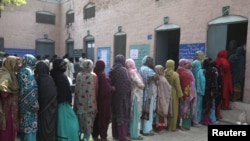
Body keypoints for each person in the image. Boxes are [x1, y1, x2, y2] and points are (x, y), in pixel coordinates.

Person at [50, 58, 80, 141]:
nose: (64, 67)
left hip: (56, 104)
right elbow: (66, 92)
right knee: (69, 124)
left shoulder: (52, 74)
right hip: (63, 104)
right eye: (62, 65)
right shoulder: (61, 77)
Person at [74, 59, 98, 141]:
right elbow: (96, 90)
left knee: (79, 124)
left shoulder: (78, 75)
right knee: (88, 126)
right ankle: (86, 139)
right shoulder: (94, 76)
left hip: (79, 105)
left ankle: (78, 138)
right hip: (90, 106)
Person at [17, 54, 39, 141]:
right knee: (29, 127)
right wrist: (34, 104)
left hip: (21, 103)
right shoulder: (28, 71)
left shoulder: (21, 70)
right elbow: (30, 89)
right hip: (29, 105)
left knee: (24, 126)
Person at [109, 54, 131, 141]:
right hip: (122, 97)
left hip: (114, 96)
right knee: (122, 115)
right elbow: (127, 83)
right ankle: (122, 136)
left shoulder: (112, 69)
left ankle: (115, 135)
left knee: (115, 115)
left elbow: (110, 82)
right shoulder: (123, 70)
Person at [35, 61, 57, 141]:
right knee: (50, 126)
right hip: (52, 108)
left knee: (43, 127)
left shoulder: (38, 79)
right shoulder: (50, 78)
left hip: (42, 109)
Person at [92, 59, 113, 141]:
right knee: (103, 118)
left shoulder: (94, 74)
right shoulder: (102, 75)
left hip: (95, 100)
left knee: (96, 119)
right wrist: (112, 88)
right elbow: (106, 90)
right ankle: (103, 136)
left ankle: (95, 135)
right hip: (103, 102)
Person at [0, 56, 21, 141]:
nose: (18, 66)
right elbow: (4, 93)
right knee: (7, 130)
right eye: (16, 64)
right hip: (7, 109)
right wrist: (11, 91)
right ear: (11, 64)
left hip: (12, 108)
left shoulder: (12, 74)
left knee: (12, 131)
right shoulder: (6, 75)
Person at [125, 58, 145, 140]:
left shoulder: (127, 71)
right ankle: (134, 135)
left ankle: (130, 132)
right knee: (135, 115)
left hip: (132, 94)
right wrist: (143, 84)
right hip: (136, 95)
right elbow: (140, 84)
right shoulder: (132, 72)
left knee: (132, 114)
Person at [139, 56, 158, 136]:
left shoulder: (141, 68)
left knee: (144, 111)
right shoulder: (149, 70)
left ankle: (142, 128)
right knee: (148, 111)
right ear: (147, 62)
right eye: (151, 61)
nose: (153, 63)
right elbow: (157, 78)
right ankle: (147, 130)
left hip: (143, 92)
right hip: (149, 93)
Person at [164, 59, 183, 132]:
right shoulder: (175, 74)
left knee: (167, 109)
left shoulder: (163, 72)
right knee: (174, 110)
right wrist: (180, 95)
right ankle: (172, 127)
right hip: (173, 93)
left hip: (165, 92)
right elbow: (178, 86)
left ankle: (165, 125)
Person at [176, 59, 194, 130]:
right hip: (186, 94)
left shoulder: (177, 71)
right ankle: (185, 125)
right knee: (185, 110)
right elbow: (189, 85)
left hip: (178, 94)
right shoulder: (186, 73)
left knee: (178, 109)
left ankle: (178, 124)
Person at [153, 65, 172, 132]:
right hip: (162, 97)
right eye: (161, 70)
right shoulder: (160, 78)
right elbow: (168, 88)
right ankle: (159, 127)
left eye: (162, 69)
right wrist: (170, 87)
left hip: (161, 97)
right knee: (161, 113)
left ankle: (157, 127)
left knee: (159, 113)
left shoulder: (158, 77)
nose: (162, 71)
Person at [202, 58, 218, 125]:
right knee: (209, 105)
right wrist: (214, 91)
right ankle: (207, 120)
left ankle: (205, 119)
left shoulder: (203, 70)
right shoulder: (212, 71)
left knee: (205, 104)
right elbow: (213, 82)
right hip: (210, 90)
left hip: (205, 90)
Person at [191, 59, 206, 124]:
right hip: (198, 91)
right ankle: (197, 120)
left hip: (192, 90)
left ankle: (192, 119)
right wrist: (203, 90)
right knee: (198, 106)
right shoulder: (200, 71)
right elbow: (202, 81)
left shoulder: (192, 71)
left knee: (193, 105)